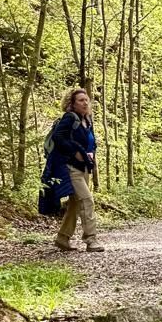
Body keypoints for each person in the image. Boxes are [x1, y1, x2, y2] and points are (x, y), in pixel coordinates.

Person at [45, 86, 103, 252]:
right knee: (86, 200)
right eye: (81, 100)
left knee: (75, 204)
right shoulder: (70, 118)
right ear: (72, 103)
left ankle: (62, 238)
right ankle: (91, 240)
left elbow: (91, 143)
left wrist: (90, 156)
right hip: (71, 168)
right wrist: (75, 152)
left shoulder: (87, 120)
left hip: (84, 168)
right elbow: (59, 137)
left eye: (86, 100)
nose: (85, 103)